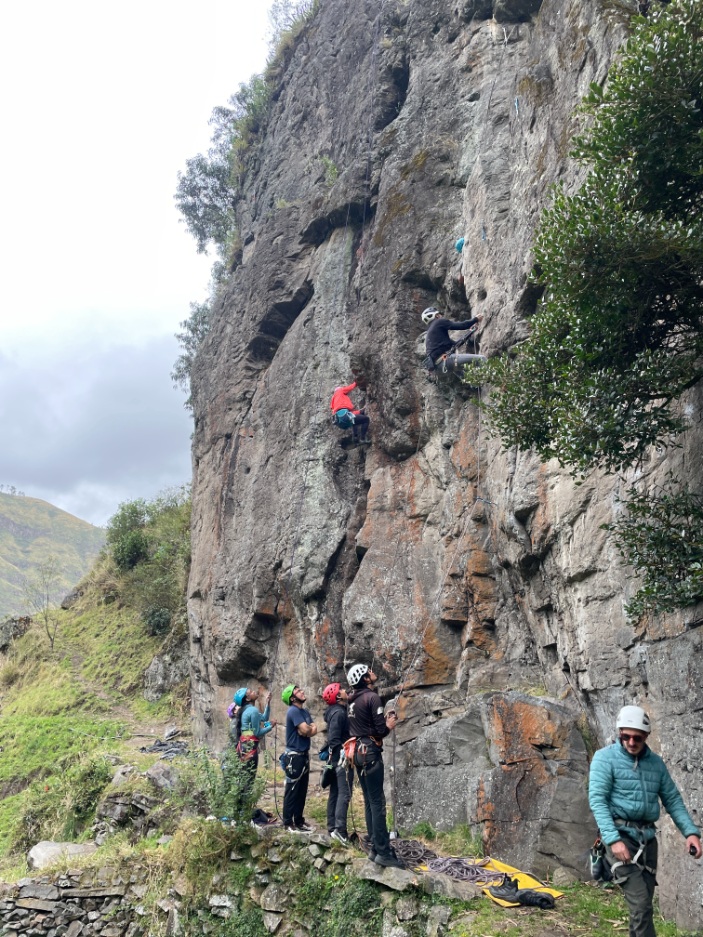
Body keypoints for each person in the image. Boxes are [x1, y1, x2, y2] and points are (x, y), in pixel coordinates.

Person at [588, 705, 701, 937]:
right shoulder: (604, 759)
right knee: (641, 905)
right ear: (620, 734)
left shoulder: (656, 764)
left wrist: (691, 833)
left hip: (648, 842)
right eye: (625, 736)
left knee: (641, 909)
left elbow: (673, 800)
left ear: (646, 736)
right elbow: (598, 801)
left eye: (636, 737)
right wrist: (613, 840)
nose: (631, 742)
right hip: (620, 838)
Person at [346, 663, 402, 868]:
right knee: (377, 802)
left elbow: (365, 726)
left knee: (370, 801)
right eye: (368, 671)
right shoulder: (372, 698)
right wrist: (388, 724)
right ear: (365, 679)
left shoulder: (352, 702)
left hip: (358, 754)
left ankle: (375, 849)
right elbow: (379, 730)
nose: (372, 672)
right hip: (369, 752)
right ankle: (383, 851)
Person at [229, 686, 276, 824]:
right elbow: (258, 732)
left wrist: (268, 703)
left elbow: (263, 718)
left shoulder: (247, 711)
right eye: (250, 692)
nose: (254, 692)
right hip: (250, 751)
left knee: (245, 780)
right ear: (247, 698)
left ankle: (242, 813)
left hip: (244, 748)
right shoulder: (252, 710)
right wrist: (270, 726)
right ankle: (246, 815)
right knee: (248, 781)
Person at [281, 683, 318, 833]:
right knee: (292, 789)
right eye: (297, 691)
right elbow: (305, 729)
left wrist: (309, 730)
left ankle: (299, 820)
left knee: (302, 790)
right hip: (294, 756)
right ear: (292, 698)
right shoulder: (293, 711)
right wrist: (308, 729)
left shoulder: (304, 711)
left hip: (304, 754)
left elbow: (312, 730)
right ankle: (288, 822)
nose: (302, 691)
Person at [322, 682, 352, 845]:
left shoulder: (336, 712)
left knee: (335, 792)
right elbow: (334, 739)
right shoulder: (339, 713)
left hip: (335, 759)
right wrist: (345, 754)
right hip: (341, 759)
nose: (345, 690)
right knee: (344, 793)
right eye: (342, 689)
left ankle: (332, 827)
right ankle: (340, 831)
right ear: (338, 696)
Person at [422, 307, 485, 372]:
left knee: (467, 379)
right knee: (481, 359)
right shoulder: (439, 322)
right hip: (446, 360)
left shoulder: (432, 334)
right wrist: (475, 319)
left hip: (440, 367)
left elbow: (456, 344)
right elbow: (462, 325)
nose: (442, 316)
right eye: (440, 314)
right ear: (436, 315)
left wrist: (470, 332)